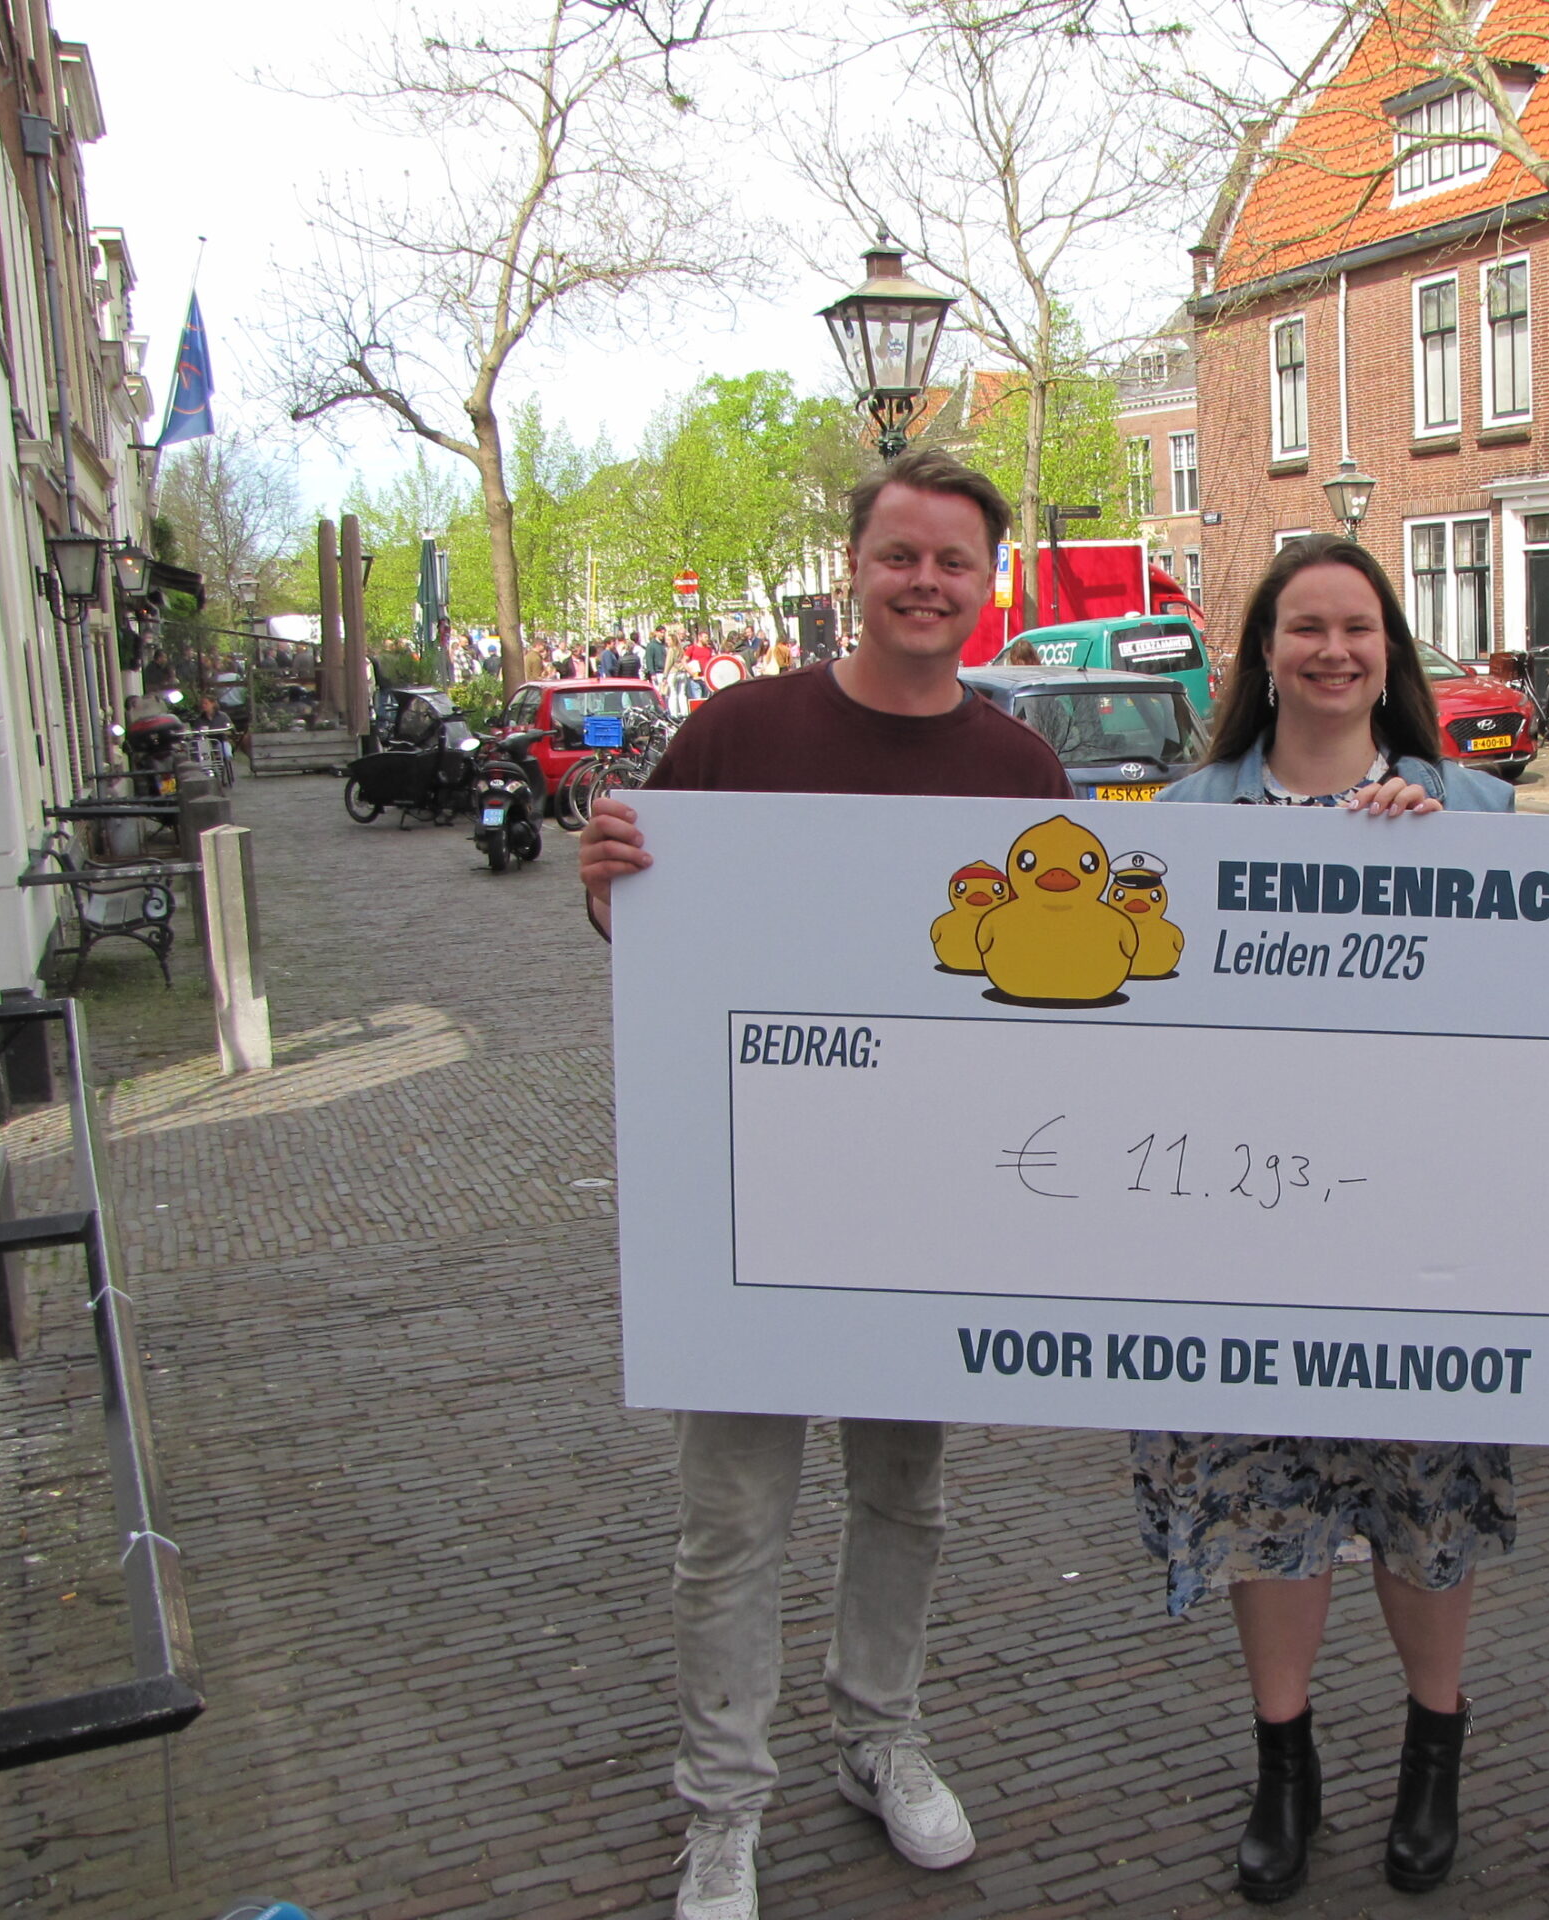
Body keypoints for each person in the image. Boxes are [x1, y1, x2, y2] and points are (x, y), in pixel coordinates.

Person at [579, 450, 1073, 1920]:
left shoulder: (1022, 771)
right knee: (731, 1518)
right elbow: (651, 932)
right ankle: (722, 1809)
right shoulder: (737, 729)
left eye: (953, 563)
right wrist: (609, 882)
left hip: (928, 1200)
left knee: (902, 1497)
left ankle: (880, 1741)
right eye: (900, 556)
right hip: (752, 1198)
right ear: (854, 567)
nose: (926, 583)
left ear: (986, 586)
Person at [1137, 535, 1514, 1909]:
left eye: (1360, 628)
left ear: (1390, 654)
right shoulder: (1182, 819)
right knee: (1266, 1502)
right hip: (1244, 1238)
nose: (1335, 651)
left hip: (1421, 1238)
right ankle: (1282, 1767)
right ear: (1265, 653)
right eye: (1307, 628)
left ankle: (1432, 1750)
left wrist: (1445, 856)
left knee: (1426, 1500)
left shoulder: (1477, 810)